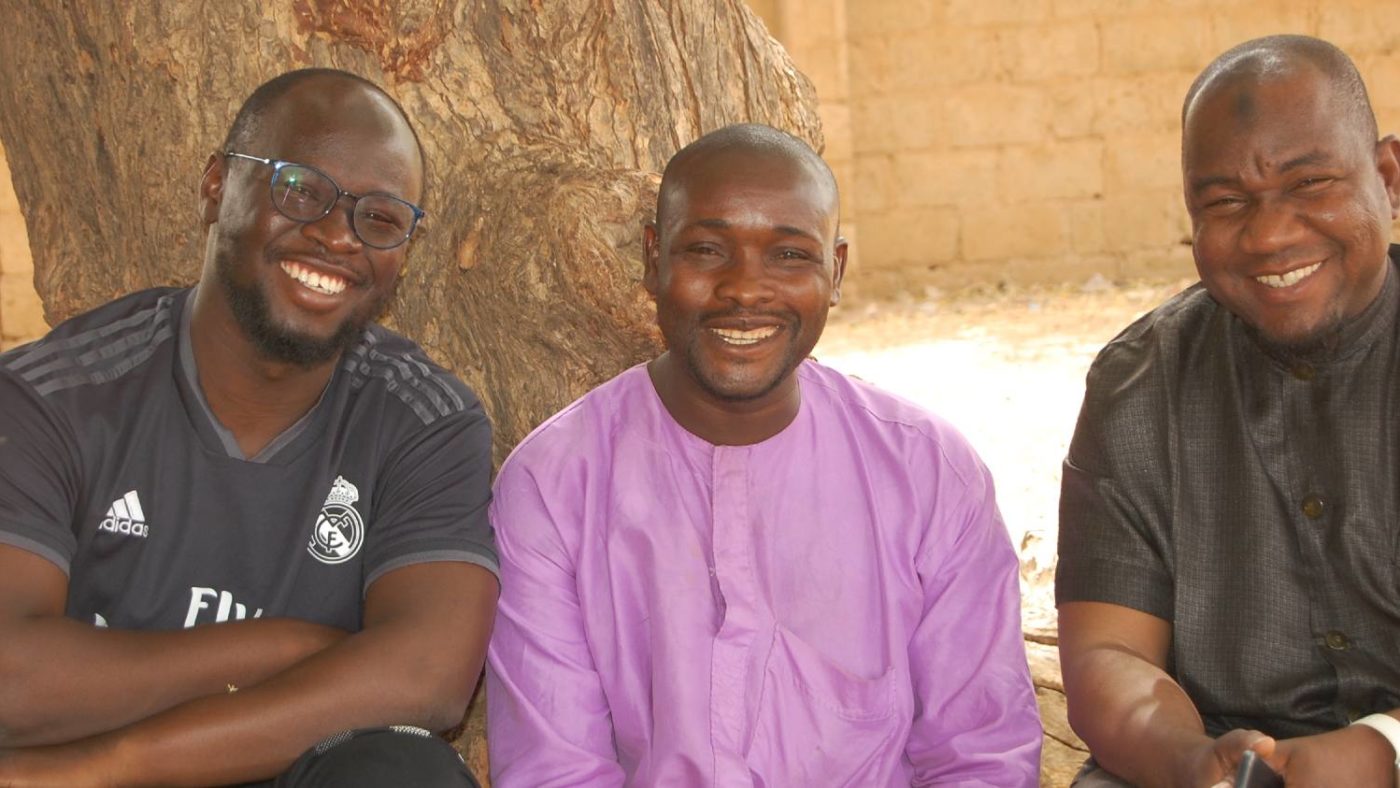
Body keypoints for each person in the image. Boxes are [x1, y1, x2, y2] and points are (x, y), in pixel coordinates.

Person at [485, 123, 1041, 786]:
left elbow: (981, 754)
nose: (746, 290)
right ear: (653, 258)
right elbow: (555, 770)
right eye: (708, 250)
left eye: (788, 255)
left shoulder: (929, 475)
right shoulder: (554, 484)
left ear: (834, 272)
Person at [0, 69, 498, 786]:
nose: (335, 236)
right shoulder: (56, 397)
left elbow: (428, 678)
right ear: (215, 187)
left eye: (380, 218)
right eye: (300, 189)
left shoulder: (423, 422)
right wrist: (282, 648)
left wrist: (115, 762)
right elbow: (12, 683)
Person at [1056, 35, 1400, 788]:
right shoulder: (1138, 385)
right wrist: (1192, 764)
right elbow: (1109, 655)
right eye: (1226, 203)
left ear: (1388, 178)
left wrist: (1381, 751)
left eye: (1310, 184)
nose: (1271, 234)